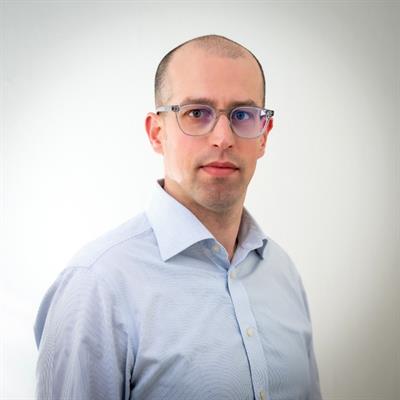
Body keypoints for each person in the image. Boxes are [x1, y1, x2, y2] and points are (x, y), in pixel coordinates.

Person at [34, 34, 323, 400]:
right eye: (197, 113)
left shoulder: (282, 272)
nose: (223, 138)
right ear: (157, 133)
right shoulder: (96, 286)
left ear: (263, 135)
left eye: (243, 115)